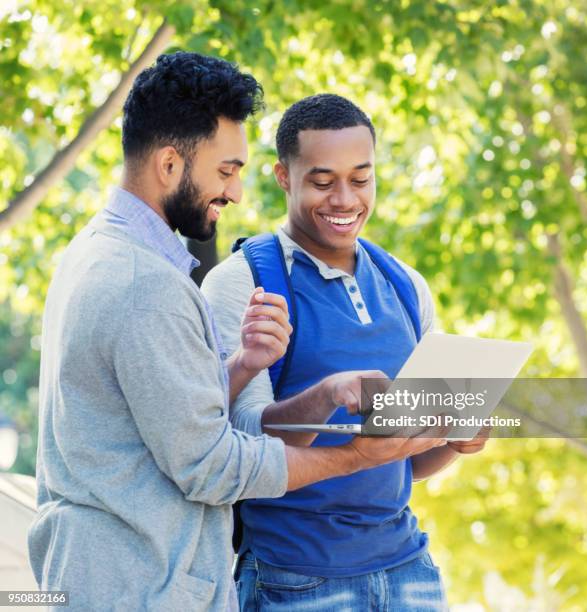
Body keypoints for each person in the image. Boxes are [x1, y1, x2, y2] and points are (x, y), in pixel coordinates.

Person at [28, 56, 448, 612]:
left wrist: (245, 365)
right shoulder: (145, 283)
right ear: (171, 164)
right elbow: (212, 464)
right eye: (226, 171)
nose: (236, 192)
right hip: (136, 584)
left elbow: (173, 413)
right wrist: (353, 453)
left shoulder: (102, 254)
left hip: (132, 578)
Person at [202, 94, 490, 611]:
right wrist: (326, 395)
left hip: (410, 573)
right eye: (322, 180)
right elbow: (242, 444)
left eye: (361, 179)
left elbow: (404, 460)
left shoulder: (406, 286)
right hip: (296, 580)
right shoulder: (242, 283)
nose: (344, 199)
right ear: (283, 177)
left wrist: (456, 439)